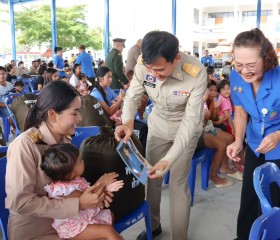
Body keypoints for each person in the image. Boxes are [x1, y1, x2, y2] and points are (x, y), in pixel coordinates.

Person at [115, 31, 207, 240]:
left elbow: (191, 121)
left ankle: (179, 236)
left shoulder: (196, 72)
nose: (154, 74)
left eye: (160, 69)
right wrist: (127, 121)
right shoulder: (142, 65)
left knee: (178, 183)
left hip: (185, 129)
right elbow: (131, 97)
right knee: (152, 178)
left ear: (176, 58)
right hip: (157, 125)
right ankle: (153, 226)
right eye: (150, 69)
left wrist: (170, 159)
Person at [5, 80, 116, 239]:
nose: (80, 118)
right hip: (37, 230)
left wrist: (95, 194)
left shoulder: (64, 141)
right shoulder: (25, 145)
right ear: (52, 114)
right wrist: (80, 204)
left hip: (67, 222)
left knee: (109, 225)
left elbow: (69, 184)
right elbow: (21, 203)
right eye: (75, 112)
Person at [226, 28, 280, 240]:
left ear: (266, 59)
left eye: (251, 65)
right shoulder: (235, 78)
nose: (244, 71)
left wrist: (277, 136)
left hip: (277, 144)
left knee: (274, 199)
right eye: (239, 65)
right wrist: (238, 140)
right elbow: (240, 112)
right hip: (255, 143)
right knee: (249, 194)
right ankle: (245, 236)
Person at [41, 143, 124, 240]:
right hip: (73, 227)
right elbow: (89, 198)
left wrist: (105, 187)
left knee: (110, 216)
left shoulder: (74, 180)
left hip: (83, 218)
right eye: (80, 161)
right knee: (107, 230)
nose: (83, 161)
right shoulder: (66, 190)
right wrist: (102, 183)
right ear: (69, 174)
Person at [0, 66, 16, 134]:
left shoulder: (10, 85)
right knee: (11, 114)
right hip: (2, 107)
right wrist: (8, 105)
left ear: (6, 74)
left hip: (12, 105)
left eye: (3, 73)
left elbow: (14, 95)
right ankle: (16, 130)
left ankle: (24, 128)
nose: (1, 76)